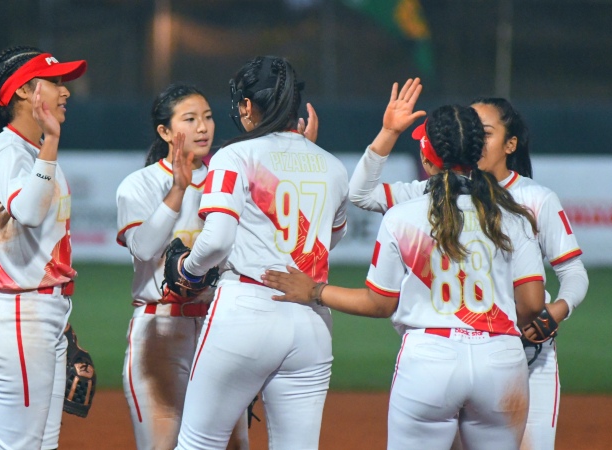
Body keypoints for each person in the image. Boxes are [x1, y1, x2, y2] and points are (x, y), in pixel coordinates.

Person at [262, 100, 549, 449]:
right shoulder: (513, 217)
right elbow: (533, 304)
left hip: (429, 360)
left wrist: (314, 292)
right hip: (501, 361)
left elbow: (379, 303)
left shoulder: (403, 216)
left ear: (426, 159)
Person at [348, 86, 589, 449]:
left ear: (511, 145)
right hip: (479, 353)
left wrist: (557, 311)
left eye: (485, 131)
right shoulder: (433, 192)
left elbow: (574, 274)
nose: (474, 135)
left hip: (529, 353)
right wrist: (389, 132)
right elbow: (362, 194)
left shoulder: (535, 199)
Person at [169, 55, 349, 450]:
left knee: (198, 443)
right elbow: (329, 239)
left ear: (248, 106)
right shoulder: (333, 166)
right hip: (311, 322)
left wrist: (190, 268)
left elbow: (216, 241)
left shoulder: (234, 155)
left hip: (246, 310)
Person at [115, 83, 250, 450]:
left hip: (217, 329)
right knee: (163, 444)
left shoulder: (227, 182)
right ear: (164, 131)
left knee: (235, 444)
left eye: (207, 117)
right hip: (160, 330)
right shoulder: (140, 184)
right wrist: (177, 190)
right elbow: (143, 249)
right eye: (190, 119)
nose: (203, 128)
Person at [0, 45, 87, 449]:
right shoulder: (8, 151)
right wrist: (52, 140)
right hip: (22, 316)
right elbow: (30, 212)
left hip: (44, 314)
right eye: (54, 82)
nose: (65, 91)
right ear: (23, 92)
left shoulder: (30, 151)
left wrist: (60, 320)